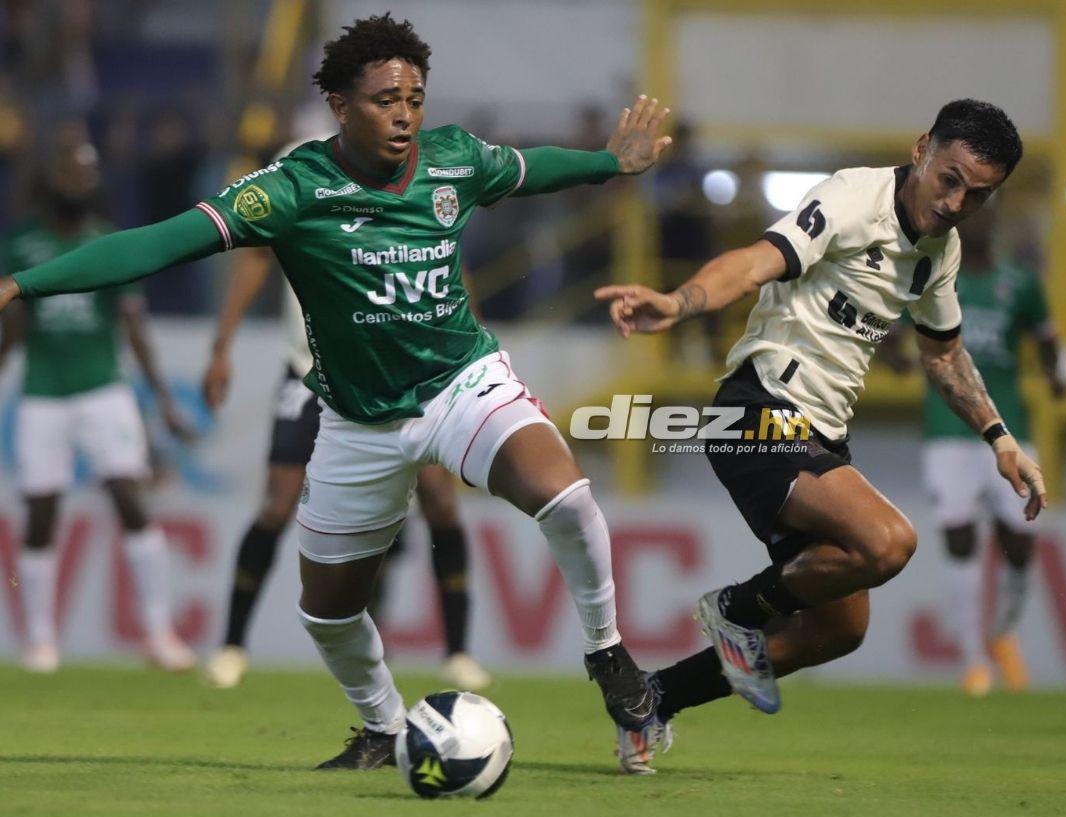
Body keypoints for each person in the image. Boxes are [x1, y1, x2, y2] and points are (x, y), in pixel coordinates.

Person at [0, 14, 671, 769]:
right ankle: (384, 728)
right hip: (357, 422)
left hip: (461, 386)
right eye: (386, 99)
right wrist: (24, 283)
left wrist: (611, 163)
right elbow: (158, 242)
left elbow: (532, 168)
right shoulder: (290, 189)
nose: (406, 114)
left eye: (415, 97)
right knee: (327, 613)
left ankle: (610, 656)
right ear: (341, 106)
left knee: (568, 496)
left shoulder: (454, 159)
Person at [595, 99, 1044, 773]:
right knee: (889, 542)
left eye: (977, 195)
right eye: (950, 178)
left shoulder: (937, 254)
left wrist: (1000, 438)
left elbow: (943, 356)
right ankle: (735, 607)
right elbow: (754, 261)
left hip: (818, 437)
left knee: (839, 630)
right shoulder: (852, 197)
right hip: (760, 410)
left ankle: (651, 701)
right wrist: (679, 302)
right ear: (922, 147)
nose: (955, 203)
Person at [201, 238, 491, 693]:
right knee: (277, 507)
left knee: (440, 501)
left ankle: (458, 652)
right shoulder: (294, 167)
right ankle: (232, 645)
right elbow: (256, 254)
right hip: (310, 369)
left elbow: (447, 251)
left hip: (401, 369)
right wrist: (222, 345)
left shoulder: (416, 168)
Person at [0, 130, 195, 673]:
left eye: (87, 173)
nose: (79, 182)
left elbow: (134, 326)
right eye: (70, 172)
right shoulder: (22, 244)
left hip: (102, 389)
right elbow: (13, 327)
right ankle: (40, 641)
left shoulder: (107, 240)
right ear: (52, 179)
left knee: (130, 500)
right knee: (41, 513)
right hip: (42, 393)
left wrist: (162, 402)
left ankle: (158, 634)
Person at [917, 205, 1066, 696]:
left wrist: (1057, 373)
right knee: (960, 538)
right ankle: (972, 661)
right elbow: (902, 333)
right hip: (947, 430)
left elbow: (1046, 338)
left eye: (985, 212)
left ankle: (1002, 633)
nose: (978, 221)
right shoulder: (935, 273)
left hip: (1010, 427)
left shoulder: (1019, 283)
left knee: (1021, 541)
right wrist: (897, 354)